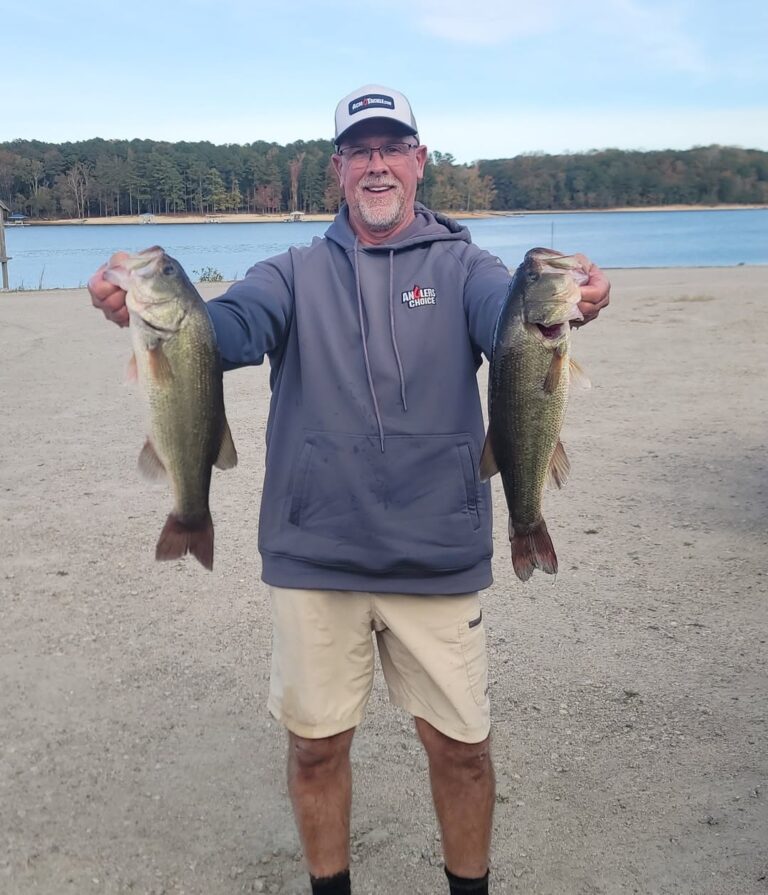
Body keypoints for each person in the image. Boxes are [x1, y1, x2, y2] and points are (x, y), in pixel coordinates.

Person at [89, 84, 610, 895]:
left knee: (464, 751)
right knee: (315, 747)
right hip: (315, 552)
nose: (376, 164)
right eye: (359, 150)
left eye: (390, 147)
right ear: (338, 169)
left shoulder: (465, 266)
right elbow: (232, 327)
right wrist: (166, 317)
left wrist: (572, 301)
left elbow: (508, 319)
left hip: (436, 550)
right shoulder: (291, 271)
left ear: (418, 160)